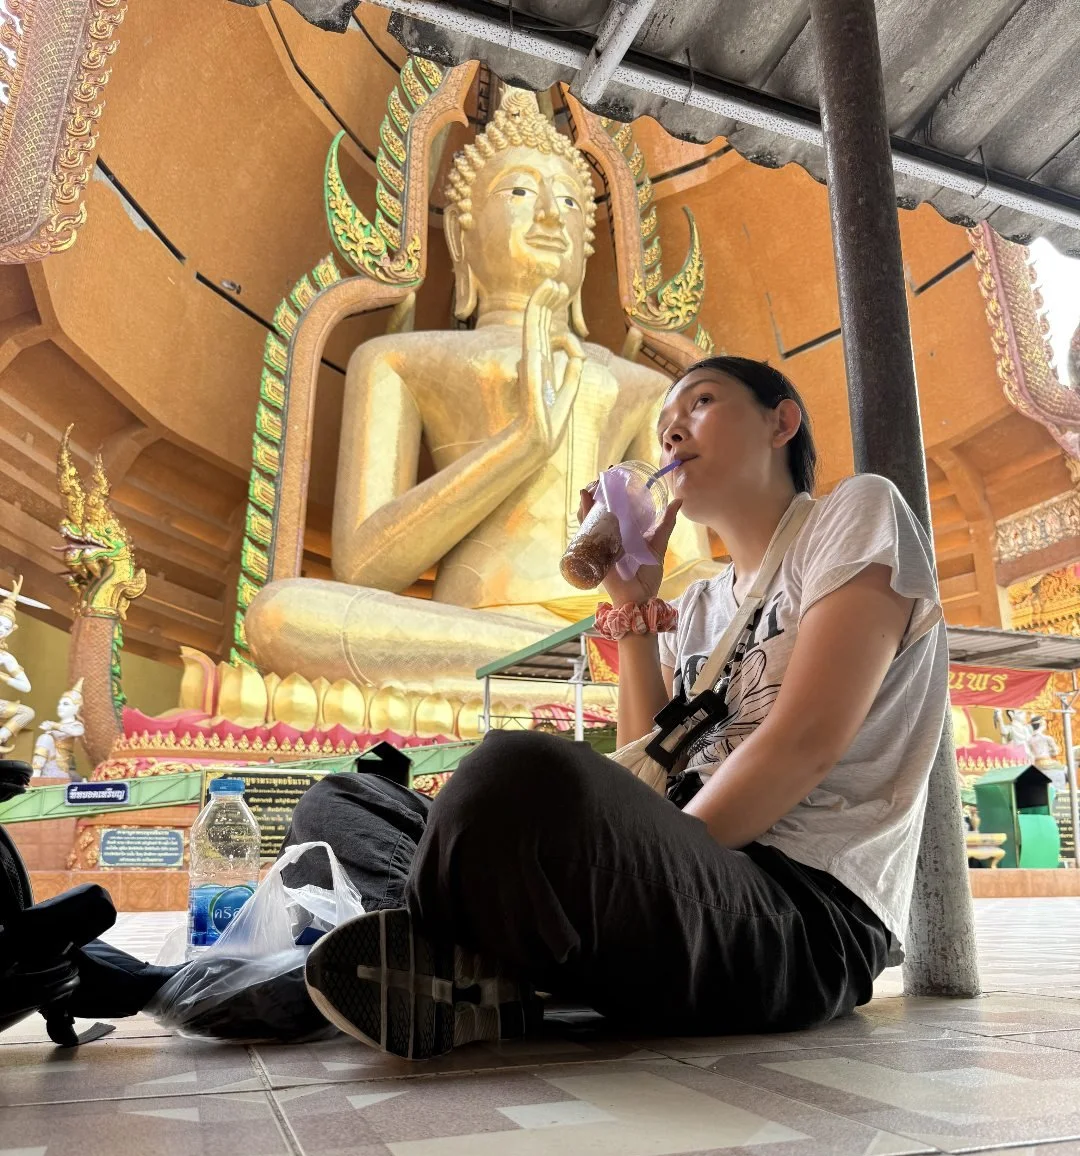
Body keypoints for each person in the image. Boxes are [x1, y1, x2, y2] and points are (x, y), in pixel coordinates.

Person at [38, 356, 947, 1058]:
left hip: (793, 918)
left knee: (516, 772)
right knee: (343, 800)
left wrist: (636, 859)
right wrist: (634, 602)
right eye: (664, 422)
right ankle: (455, 969)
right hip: (675, 885)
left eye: (699, 404)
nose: (671, 432)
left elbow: (804, 745)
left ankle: (404, 958)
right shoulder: (701, 600)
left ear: (782, 419)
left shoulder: (855, 515)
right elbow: (649, 756)